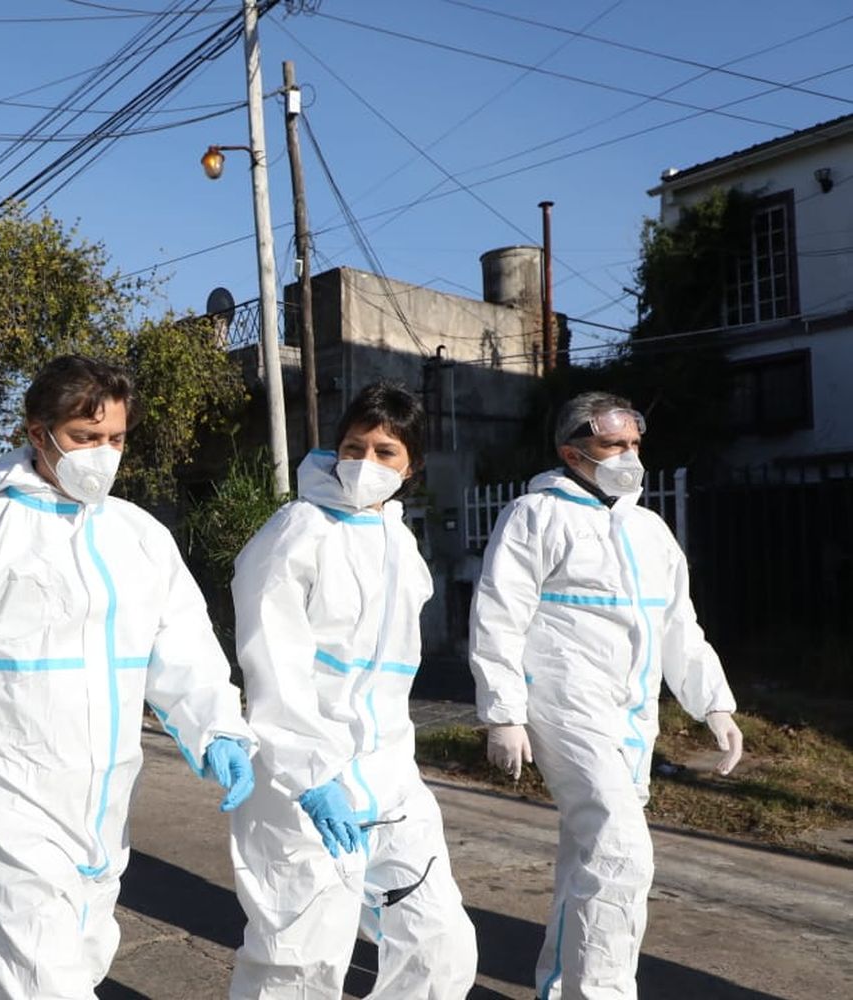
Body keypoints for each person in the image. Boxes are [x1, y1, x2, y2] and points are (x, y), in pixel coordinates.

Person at [0, 354, 258, 999]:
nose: (102, 455)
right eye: (84, 437)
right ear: (37, 432)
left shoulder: (140, 536)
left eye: (115, 439)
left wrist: (216, 728)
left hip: (109, 807)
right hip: (18, 806)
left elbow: (183, 648)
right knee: (48, 986)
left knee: (74, 966)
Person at [469, 391, 743, 1000]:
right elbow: (498, 617)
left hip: (631, 718)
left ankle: (562, 986)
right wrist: (504, 713)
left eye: (634, 445)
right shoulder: (535, 515)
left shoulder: (650, 530)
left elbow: (679, 627)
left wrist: (714, 704)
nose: (629, 456)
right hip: (564, 707)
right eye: (612, 445)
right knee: (621, 853)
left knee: (591, 854)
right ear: (571, 453)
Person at [228, 382, 477, 999]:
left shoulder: (399, 541)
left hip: (390, 770)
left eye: (384, 451)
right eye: (352, 447)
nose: (364, 463)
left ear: (410, 465)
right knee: (300, 959)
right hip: (304, 775)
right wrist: (307, 775)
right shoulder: (296, 530)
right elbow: (272, 661)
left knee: (437, 942)